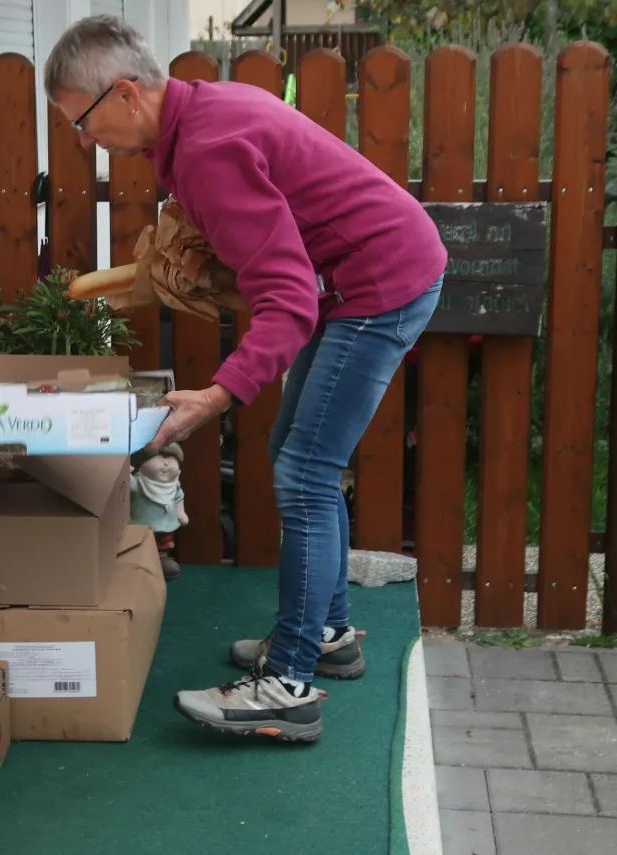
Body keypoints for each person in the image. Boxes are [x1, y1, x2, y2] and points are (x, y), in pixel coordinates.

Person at [44, 16, 446, 743]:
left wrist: (217, 392)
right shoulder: (201, 115)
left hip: (381, 283)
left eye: (81, 118)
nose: (82, 139)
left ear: (127, 94)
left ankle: (288, 683)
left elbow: (288, 296)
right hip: (365, 274)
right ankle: (327, 634)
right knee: (300, 455)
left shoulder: (206, 150)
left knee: (305, 472)